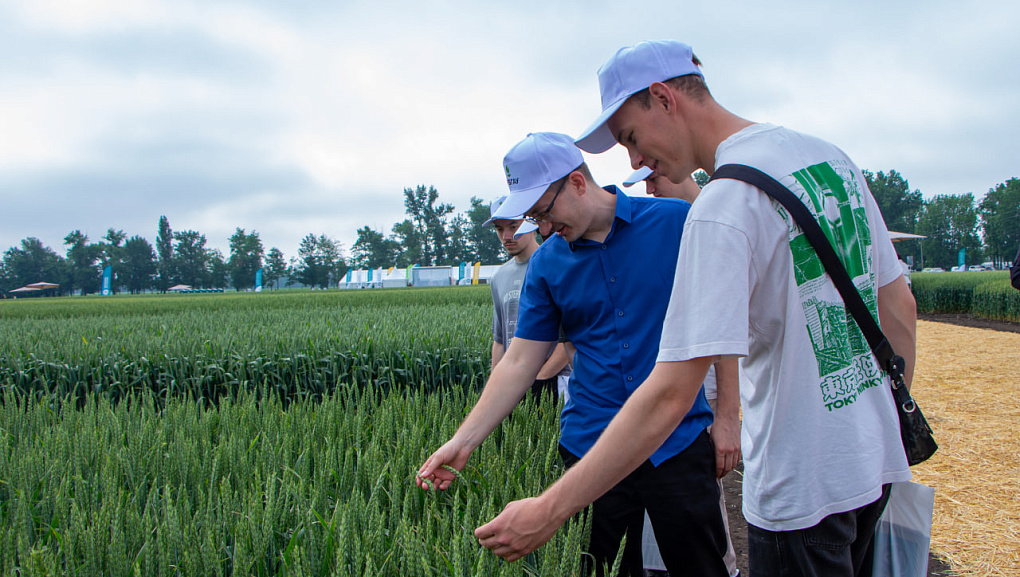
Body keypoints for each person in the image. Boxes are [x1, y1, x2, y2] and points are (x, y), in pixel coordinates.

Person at [475, 40, 917, 577]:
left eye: (631, 137)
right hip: (874, 463)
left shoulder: (719, 208)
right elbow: (898, 306)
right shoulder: (826, 157)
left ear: (664, 98)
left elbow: (669, 396)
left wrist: (548, 510)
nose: (635, 161)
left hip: (801, 486)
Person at [418, 132, 729, 577]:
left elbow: (721, 322)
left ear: (578, 183)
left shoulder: (676, 223)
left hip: (676, 441)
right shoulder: (547, 264)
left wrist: (728, 414)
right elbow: (521, 360)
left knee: (700, 567)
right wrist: (463, 440)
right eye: (532, 218)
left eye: (544, 212)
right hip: (590, 445)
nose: (542, 228)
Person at [623, 166, 740, 577]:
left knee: (705, 495)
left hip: (702, 383)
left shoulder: (710, 219)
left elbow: (723, 337)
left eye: (654, 177)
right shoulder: (659, 227)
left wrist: (727, 417)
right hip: (669, 381)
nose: (649, 189)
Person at [485, 195, 571, 399]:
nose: (507, 236)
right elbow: (499, 340)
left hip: (555, 382)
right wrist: (495, 386)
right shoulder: (499, 277)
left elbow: (569, 337)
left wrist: (539, 379)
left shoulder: (557, 266)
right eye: (499, 229)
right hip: (513, 384)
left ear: (531, 223)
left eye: (513, 227)